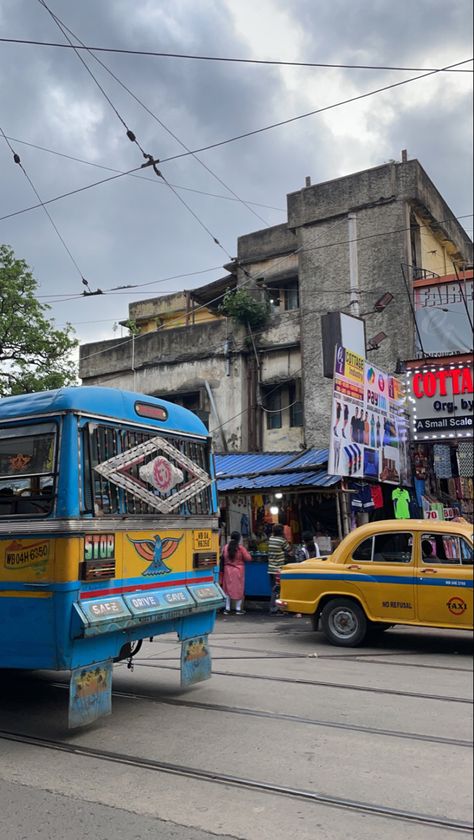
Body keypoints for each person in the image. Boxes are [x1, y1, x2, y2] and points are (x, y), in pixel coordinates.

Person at [221, 531, 251, 615]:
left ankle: (227, 609)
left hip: (227, 570)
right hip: (238, 570)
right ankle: (238, 609)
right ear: (239, 539)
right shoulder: (240, 548)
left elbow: (222, 557)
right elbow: (248, 558)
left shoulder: (226, 547)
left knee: (227, 589)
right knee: (239, 589)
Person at [267, 524, 290, 614]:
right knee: (278, 590)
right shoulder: (282, 540)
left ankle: (275, 608)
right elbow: (289, 550)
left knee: (274, 589)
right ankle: (275, 608)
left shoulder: (271, 539)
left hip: (270, 569)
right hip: (278, 569)